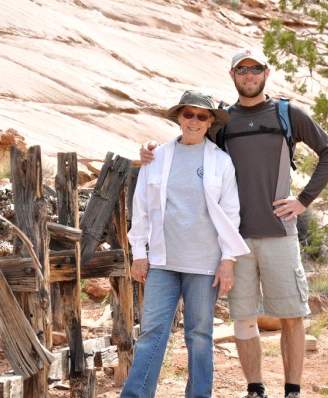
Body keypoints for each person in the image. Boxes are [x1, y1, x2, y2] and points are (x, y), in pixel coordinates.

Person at [139, 48, 328, 398]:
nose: (249, 76)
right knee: (243, 317)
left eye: (255, 69)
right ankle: (255, 389)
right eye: (241, 70)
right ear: (232, 75)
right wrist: (150, 151)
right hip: (232, 241)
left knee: (291, 315)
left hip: (280, 231)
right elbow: (190, 145)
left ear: (266, 72)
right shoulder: (223, 121)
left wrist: (303, 200)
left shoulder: (286, 113)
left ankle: (292, 390)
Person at [122, 89, 250, 398]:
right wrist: (139, 253)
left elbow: (231, 213)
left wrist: (228, 260)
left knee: (200, 335)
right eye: (188, 114)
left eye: (201, 116)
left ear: (209, 123)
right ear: (179, 117)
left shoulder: (221, 162)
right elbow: (140, 208)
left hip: (205, 263)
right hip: (163, 262)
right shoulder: (156, 156)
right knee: (152, 333)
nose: (194, 120)